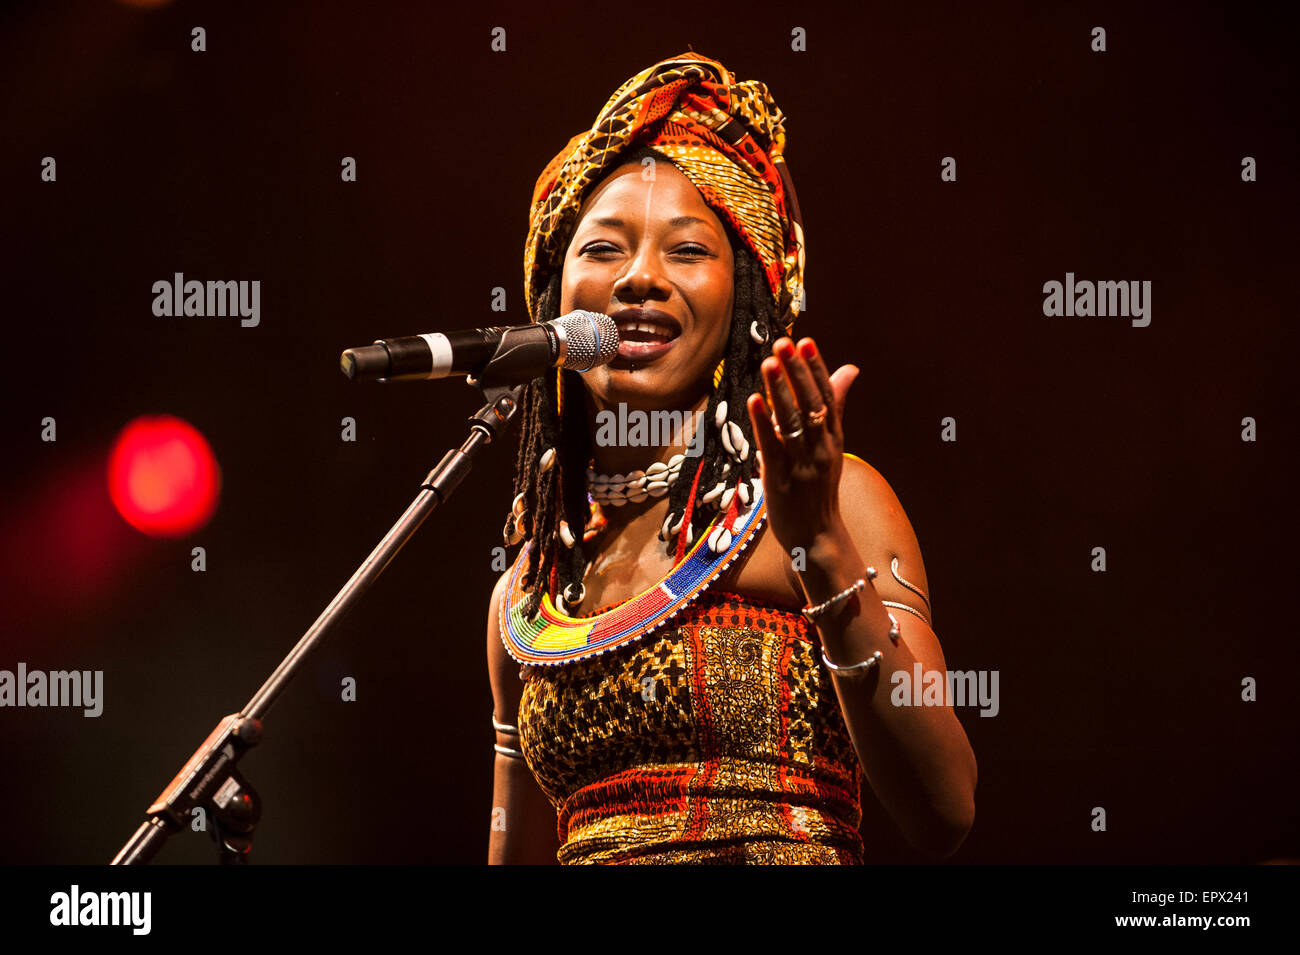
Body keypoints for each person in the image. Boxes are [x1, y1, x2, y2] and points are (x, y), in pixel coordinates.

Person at [486, 52, 976, 864]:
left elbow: (945, 805)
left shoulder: (837, 501)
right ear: (554, 296)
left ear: (744, 295)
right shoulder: (531, 588)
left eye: (687, 251)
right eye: (603, 249)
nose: (640, 277)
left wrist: (818, 544)